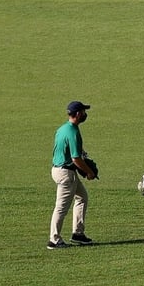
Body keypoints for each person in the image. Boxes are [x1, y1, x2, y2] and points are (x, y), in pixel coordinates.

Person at [49, 101, 97, 249]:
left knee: (82, 197)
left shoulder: (62, 129)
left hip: (60, 170)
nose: (85, 114)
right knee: (61, 208)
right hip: (66, 173)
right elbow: (76, 158)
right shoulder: (73, 132)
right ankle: (54, 239)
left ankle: (78, 234)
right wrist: (89, 172)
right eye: (83, 111)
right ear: (77, 114)